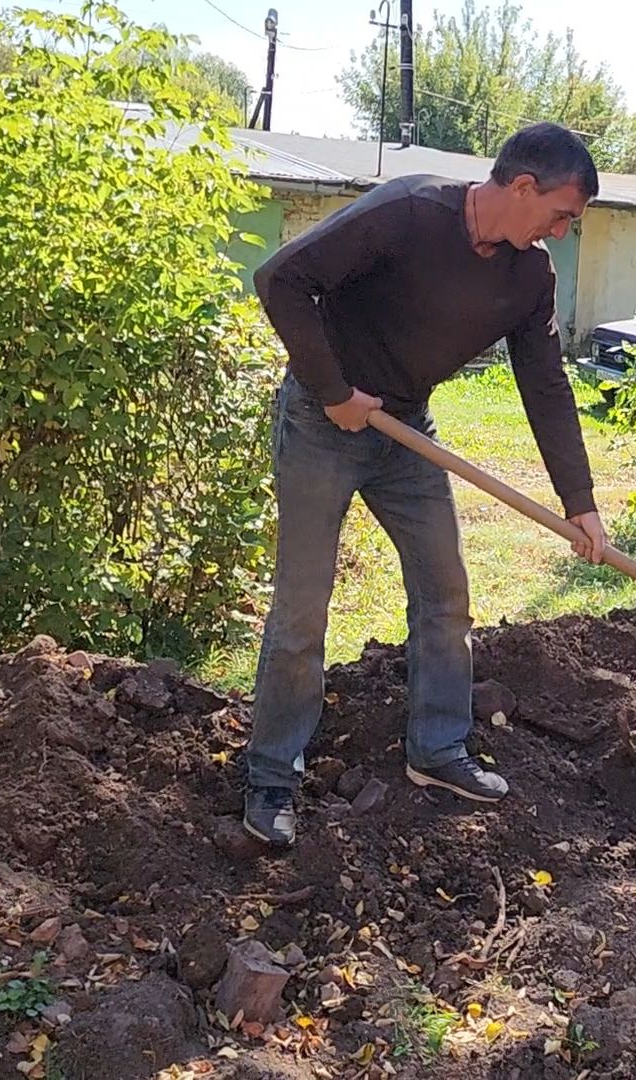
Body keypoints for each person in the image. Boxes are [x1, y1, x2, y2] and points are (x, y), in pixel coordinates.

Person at [241, 122, 609, 848]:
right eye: (563, 214)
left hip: (407, 432)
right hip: (326, 420)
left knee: (446, 594)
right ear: (523, 187)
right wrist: (335, 390)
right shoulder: (408, 213)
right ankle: (271, 777)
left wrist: (582, 504)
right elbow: (281, 280)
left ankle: (437, 749)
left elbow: (545, 385)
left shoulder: (527, 276)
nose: (563, 233)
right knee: (303, 609)